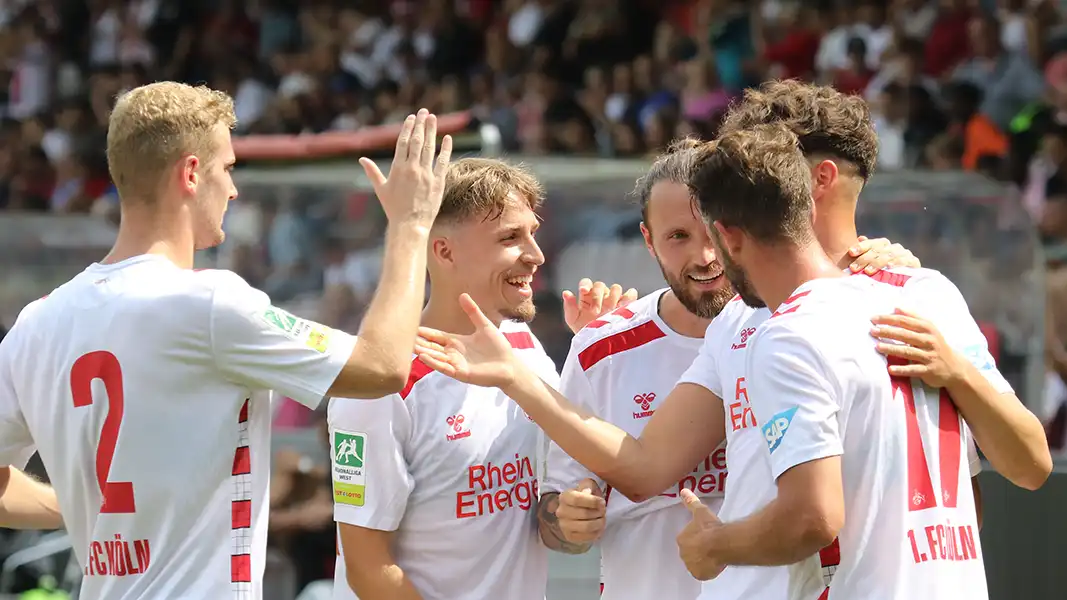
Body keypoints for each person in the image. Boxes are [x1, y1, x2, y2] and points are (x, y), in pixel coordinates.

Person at [411, 80, 1049, 600]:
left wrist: (958, 374)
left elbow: (1010, 475)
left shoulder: (903, 297)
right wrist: (519, 379)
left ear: (811, 181)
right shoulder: (746, 321)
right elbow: (644, 468)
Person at [0, 82, 453, 599]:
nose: (234, 190)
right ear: (192, 174)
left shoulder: (36, 323)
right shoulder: (207, 304)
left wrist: (82, 505)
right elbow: (382, 366)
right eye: (228, 168)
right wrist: (412, 228)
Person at [537, 137, 919, 600]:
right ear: (648, 240)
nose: (705, 257)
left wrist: (890, 267)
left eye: (713, 231)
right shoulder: (600, 350)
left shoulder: (801, 326)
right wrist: (570, 519)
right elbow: (552, 516)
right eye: (678, 237)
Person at [673, 122, 989, 598]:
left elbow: (812, 517)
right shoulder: (907, 303)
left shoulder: (787, 335)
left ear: (728, 237)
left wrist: (716, 545)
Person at [329, 157, 635, 600]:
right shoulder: (382, 383)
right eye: (510, 237)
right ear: (444, 250)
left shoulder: (525, 349)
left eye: (532, 232)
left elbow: (548, 524)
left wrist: (570, 521)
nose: (536, 254)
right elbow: (368, 569)